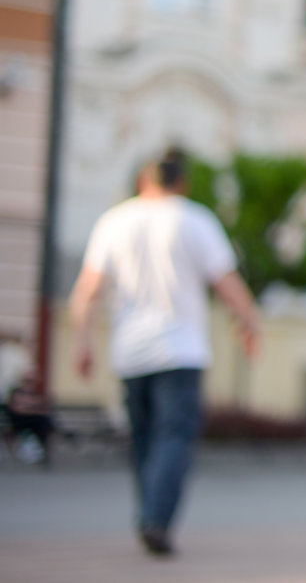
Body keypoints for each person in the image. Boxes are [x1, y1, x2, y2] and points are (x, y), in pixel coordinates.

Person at [67, 147, 260, 556]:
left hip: (130, 352)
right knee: (174, 437)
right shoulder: (194, 219)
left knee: (143, 440)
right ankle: (156, 519)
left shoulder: (114, 221)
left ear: (143, 181)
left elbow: (87, 290)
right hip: (181, 351)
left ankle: (148, 515)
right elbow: (227, 283)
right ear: (182, 183)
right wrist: (249, 323)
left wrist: (82, 341)